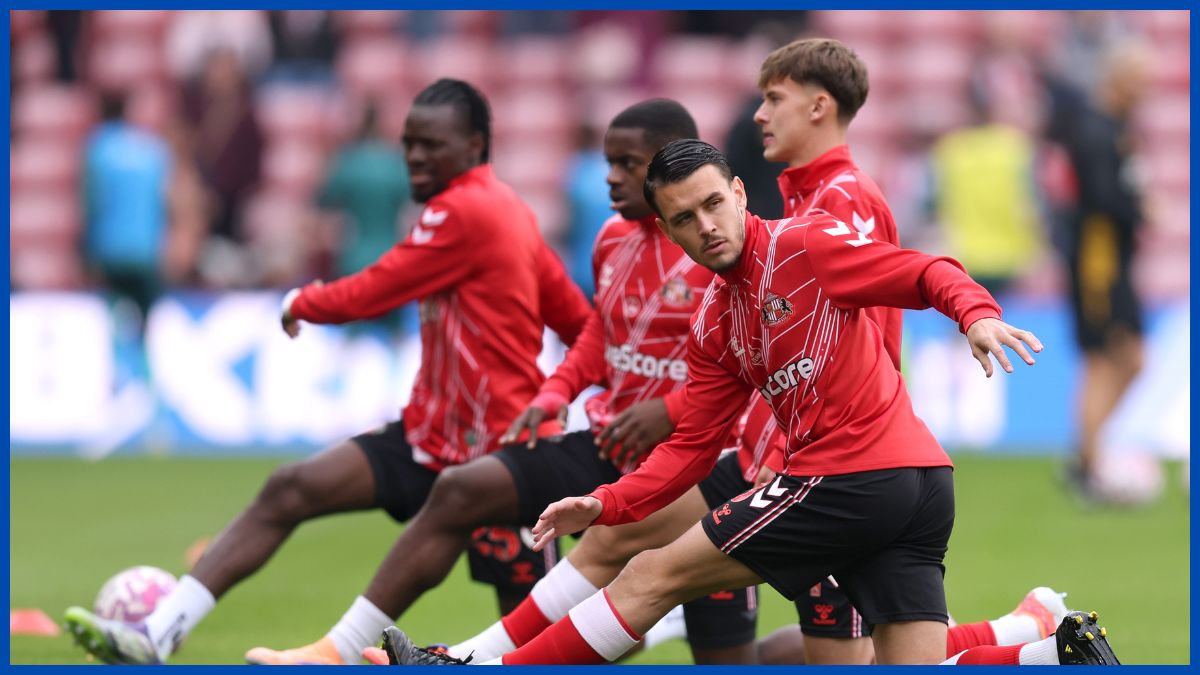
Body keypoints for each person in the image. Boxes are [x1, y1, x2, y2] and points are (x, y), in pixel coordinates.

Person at [429, 37, 1066, 667]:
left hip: (844, 475)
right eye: (684, 218)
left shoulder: (808, 239)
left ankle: (481, 666)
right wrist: (606, 501)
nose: (705, 225)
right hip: (917, 485)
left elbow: (923, 272)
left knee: (650, 573)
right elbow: (689, 448)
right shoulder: (716, 321)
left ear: (738, 193)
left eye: (713, 204)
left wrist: (977, 315)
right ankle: (1051, 653)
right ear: (667, 231)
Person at [63, 78, 593, 666]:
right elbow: (578, 320)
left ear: (473, 145)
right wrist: (565, 386)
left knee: (546, 639)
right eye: (410, 143)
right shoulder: (511, 212)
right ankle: (159, 633)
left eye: (431, 145)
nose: (415, 156)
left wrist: (301, 302)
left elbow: (380, 287)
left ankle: (663, 615)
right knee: (292, 487)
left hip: (498, 452)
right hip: (432, 437)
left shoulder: (465, 208)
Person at [239, 98, 765, 666]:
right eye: (607, 160)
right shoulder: (613, 240)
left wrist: (669, 407)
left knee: (728, 655)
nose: (608, 175)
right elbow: (600, 332)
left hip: (707, 461)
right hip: (613, 443)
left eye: (625, 163)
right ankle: (348, 651)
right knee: (465, 490)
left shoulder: (721, 251)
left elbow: (751, 362)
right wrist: (556, 391)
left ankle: (469, 658)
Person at [1055, 40, 1151, 500]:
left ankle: (1088, 454)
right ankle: (1090, 468)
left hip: (1115, 260)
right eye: (1138, 79)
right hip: (1098, 261)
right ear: (1117, 78)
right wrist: (1141, 208)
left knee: (1131, 360)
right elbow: (1101, 198)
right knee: (1100, 360)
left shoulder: (1114, 126)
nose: (1145, 90)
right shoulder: (1094, 129)